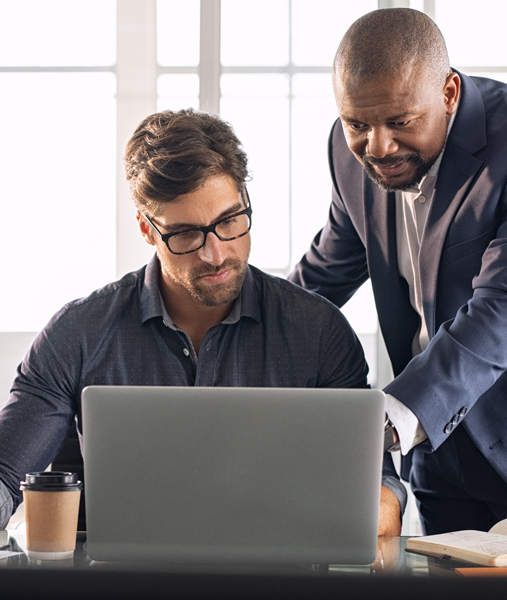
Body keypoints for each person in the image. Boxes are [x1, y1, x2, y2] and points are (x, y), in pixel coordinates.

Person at [0, 109, 406, 532]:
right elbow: (5, 475)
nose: (215, 254)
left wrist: (373, 509)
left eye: (230, 221)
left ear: (245, 202)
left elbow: (378, 484)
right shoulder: (77, 334)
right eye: (187, 234)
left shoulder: (320, 332)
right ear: (146, 228)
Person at [290, 8, 507, 534]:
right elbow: (318, 282)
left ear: (450, 93)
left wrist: (389, 420)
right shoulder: (350, 157)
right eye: (357, 125)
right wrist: (232, 336)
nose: (378, 147)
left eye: (401, 122)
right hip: (438, 446)